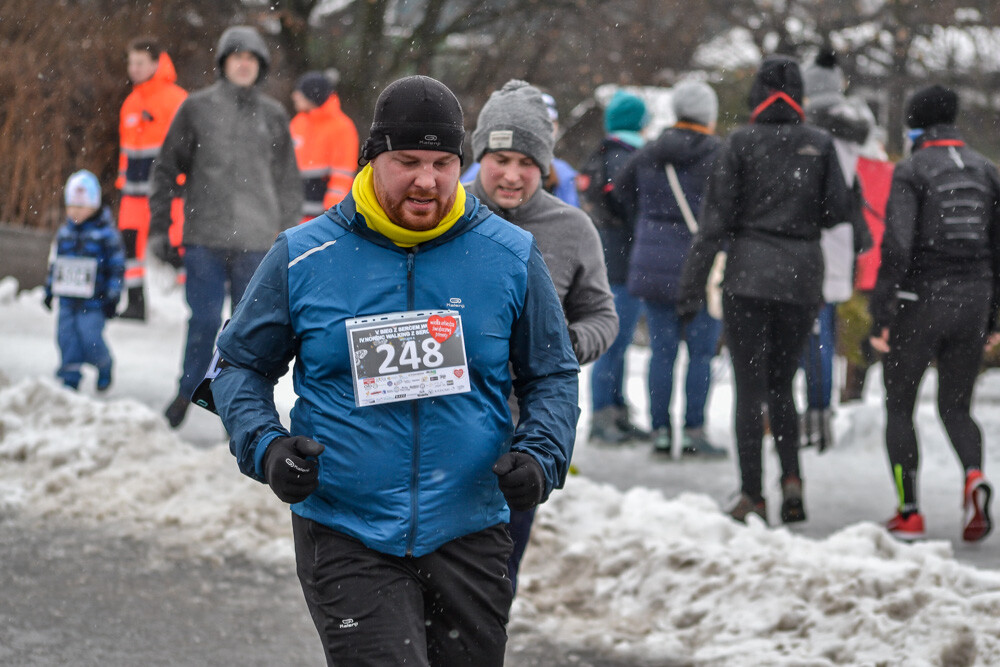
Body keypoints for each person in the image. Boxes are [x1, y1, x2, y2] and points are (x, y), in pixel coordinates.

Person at [210, 75, 580, 665]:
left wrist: (543, 452)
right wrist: (268, 448)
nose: (427, 181)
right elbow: (233, 366)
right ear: (372, 159)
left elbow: (553, 374)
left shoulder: (508, 255)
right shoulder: (304, 255)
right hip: (347, 529)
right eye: (407, 161)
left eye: (441, 162)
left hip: (469, 528)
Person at [677, 56, 855, 525]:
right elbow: (839, 210)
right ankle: (792, 480)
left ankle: (753, 494)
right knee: (783, 386)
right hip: (801, 277)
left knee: (749, 388)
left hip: (748, 276)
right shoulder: (819, 143)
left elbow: (714, 224)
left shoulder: (739, 143)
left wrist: (690, 290)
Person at [466, 79, 618, 592]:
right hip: (441, 430)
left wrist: (563, 346)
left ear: (546, 166)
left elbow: (601, 314)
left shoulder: (573, 229)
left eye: (526, 162)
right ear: (479, 155)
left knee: (493, 582)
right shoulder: (441, 214)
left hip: (524, 434)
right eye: (499, 158)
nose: (511, 175)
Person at [148, 25, 302, 429]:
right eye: (237, 56)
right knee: (202, 320)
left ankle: (236, 407)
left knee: (247, 331)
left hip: (257, 241)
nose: (244, 63)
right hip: (204, 236)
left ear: (261, 67)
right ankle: (187, 391)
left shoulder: (274, 115)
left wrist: (288, 237)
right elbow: (165, 169)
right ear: (223, 63)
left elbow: (288, 182)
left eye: (252, 58)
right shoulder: (196, 108)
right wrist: (160, 228)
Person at [868, 84, 1000, 542]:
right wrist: (993, 318)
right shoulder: (988, 170)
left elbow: (898, 245)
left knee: (900, 406)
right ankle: (973, 476)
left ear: (914, 125)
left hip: (919, 302)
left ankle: (909, 510)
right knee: (957, 407)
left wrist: (881, 310)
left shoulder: (912, 170)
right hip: (975, 300)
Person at [614, 80, 726, 458]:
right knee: (700, 354)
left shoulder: (649, 153)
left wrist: (647, 227)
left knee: (662, 352)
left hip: (652, 263)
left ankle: (660, 433)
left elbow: (618, 194)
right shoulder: (721, 154)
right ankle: (694, 431)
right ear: (708, 115)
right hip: (704, 267)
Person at [798, 48, 874, 449]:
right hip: (841, 242)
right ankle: (820, 414)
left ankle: (813, 417)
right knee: (822, 332)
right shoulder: (856, 129)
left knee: (808, 336)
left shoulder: (811, 129)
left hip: (810, 241)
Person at [581, 90, 650, 445]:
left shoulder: (606, 153)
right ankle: (602, 417)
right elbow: (630, 208)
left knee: (618, 342)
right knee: (612, 341)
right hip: (622, 261)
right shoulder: (625, 157)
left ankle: (617, 411)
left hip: (612, 257)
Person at [116, 37, 187, 320]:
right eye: (131, 62)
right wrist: (122, 185)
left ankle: (198, 309)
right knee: (129, 246)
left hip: (167, 192)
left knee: (176, 247)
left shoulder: (177, 100)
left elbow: (186, 149)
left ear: (157, 63)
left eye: (140, 63)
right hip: (132, 193)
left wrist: (181, 185)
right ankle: (135, 303)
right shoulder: (130, 103)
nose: (133, 68)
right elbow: (125, 151)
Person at [43, 170, 125, 391]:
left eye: (81, 206)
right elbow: (56, 264)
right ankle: (70, 376)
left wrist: (112, 295)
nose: (75, 211)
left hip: (94, 301)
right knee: (66, 336)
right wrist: (50, 290)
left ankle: (104, 363)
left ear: (94, 206)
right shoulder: (64, 234)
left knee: (90, 338)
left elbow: (116, 267)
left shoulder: (107, 236)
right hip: (68, 300)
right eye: (71, 206)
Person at [461, 91, 580, 207]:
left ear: (556, 126)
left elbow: (570, 218)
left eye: (548, 123)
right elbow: (461, 203)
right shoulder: (485, 165)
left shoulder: (563, 173)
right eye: (534, 123)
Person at [289, 69, 359, 221]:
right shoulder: (297, 123)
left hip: (322, 218)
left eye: (299, 92)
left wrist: (332, 214)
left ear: (311, 95)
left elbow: (342, 176)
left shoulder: (342, 127)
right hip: (294, 215)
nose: (294, 96)